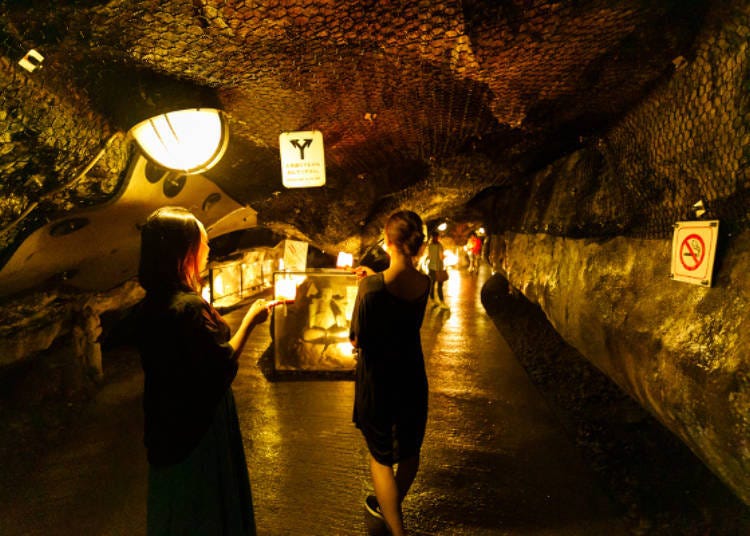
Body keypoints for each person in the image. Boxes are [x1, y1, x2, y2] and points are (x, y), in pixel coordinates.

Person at [135, 206, 275, 535]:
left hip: (164, 424)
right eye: (203, 242)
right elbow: (221, 363)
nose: (208, 249)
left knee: (175, 508)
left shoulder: (152, 302)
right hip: (198, 426)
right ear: (184, 251)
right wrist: (251, 320)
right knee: (207, 503)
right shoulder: (189, 307)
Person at [349, 210, 431, 536]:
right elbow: (397, 301)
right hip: (411, 375)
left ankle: (397, 530)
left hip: (379, 381)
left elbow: (357, 338)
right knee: (409, 452)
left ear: (388, 242)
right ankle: (389, 505)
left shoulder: (369, 288)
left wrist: (365, 286)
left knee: (380, 456)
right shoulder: (423, 284)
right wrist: (372, 278)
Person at [426, 231, 448, 308]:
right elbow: (441, 257)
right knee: (439, 286)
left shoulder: (430, 246)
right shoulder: (440, 246)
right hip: (438, 268)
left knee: (432, 285)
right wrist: (445, 257)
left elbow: (428, 256)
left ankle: (433, 300)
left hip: (431, 268)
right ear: (437, 237)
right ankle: (442, 302)